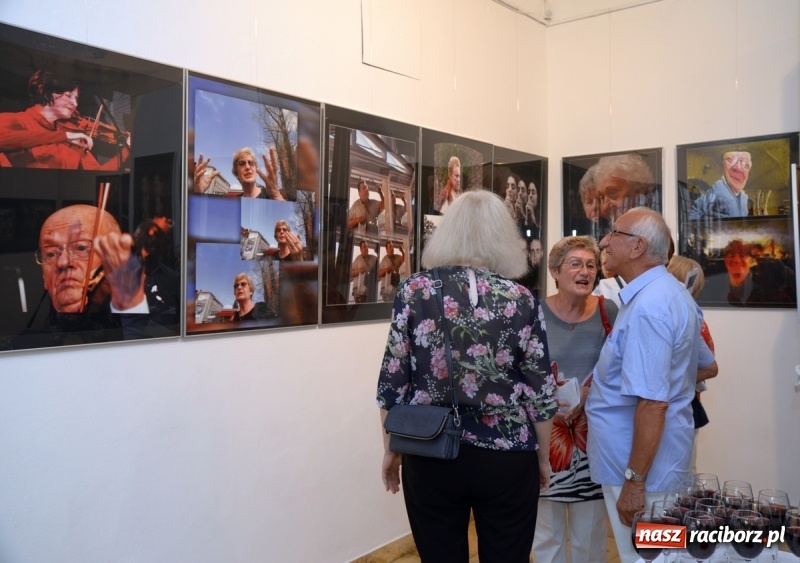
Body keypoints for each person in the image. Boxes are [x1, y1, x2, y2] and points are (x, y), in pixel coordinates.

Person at [377, 189, 556, 563]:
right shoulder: (522, 299)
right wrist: (541, 459)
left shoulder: (415, 291)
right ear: (502, 236)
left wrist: (390, 449)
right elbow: (539, 390)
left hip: (430, 449)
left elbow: (392, 382)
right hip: (507, 456)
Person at [584, 207, 717, 563]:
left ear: (638, 246)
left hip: (643, 472)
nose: (604, 242)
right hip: (651, 464)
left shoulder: (651, 307)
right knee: (663, 556)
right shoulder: (666, 294)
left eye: (613, 233)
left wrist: (634, 481)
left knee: (649, 557)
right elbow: (697, 368)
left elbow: (653, 403)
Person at [533, 236, 617, 563]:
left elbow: (623, 365)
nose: (585, 271)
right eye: (575, 264)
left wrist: (589, 391)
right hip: (547, 438)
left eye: (591, 265)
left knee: (591, 537)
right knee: (546, 536)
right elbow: (517, 372)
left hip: (593, 440)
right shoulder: (533, 314)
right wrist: (545, 402)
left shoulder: (609, 311)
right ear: (555, 271)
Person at [10, 204, 162, 350]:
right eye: (51, 254)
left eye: (82, 248)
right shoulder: (36, 339)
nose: (62, 262)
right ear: (44, 277)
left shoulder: (150, 308)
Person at [0, 70, 131, 170]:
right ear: (46, 92)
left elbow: (96, 173)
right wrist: (64, 136)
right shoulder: (17, 120)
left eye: (76, 98)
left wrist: (126, 149)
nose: (75, 104)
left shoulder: (73, 138)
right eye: (69, 96)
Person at [666, 255, 718, 474]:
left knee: (683, 472)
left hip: (681, 407)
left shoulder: (693, 319)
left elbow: (709, 367)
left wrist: (673, 378)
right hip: (677, 407)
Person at [193, 147, 285, 199]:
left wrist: (276, 195)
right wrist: (198, 193)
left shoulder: (270, 195)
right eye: (242, 163)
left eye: (251, 163)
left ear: (256, 171)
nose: (248, 167)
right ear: (236, 173)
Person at [594, 154, 656, 225]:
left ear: (638, 192)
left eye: (612, 192)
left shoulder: (652, 229)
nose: (604, 207)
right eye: (601, 197)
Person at [689, 151, 752, 219]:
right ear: (722, 167)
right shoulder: (718, 189)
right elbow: (696, 209)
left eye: (746, 165)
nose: (739, 169)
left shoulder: (743, 197)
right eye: (730, 160)